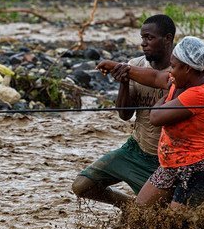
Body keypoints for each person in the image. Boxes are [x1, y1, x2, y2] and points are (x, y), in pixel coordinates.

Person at [98, 36, 204, 209]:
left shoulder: (200, 94)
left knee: (178, 221)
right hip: (171, 164)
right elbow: (155, 77)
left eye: (173, 67)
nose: (170, 72)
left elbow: (155, 118)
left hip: (200, 169)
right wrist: (117, 67)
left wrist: (164, 99)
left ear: (187, 68)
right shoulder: (182, 80)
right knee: (140, 211)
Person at [71, 15, 176, 208]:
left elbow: (160, 78)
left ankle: (139, 209)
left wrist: (124, 69)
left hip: (166, 160)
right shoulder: (135, 64)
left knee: (161, 216)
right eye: (142, 38)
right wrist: (124, 83)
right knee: (82, 185)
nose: (143, 43)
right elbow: (125, 114)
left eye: (149, 38)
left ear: (168, 39)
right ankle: (128, 207)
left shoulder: (181, 69)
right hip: (136, 148)